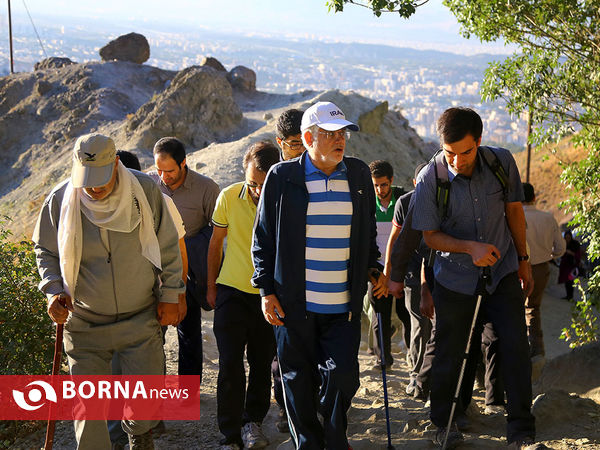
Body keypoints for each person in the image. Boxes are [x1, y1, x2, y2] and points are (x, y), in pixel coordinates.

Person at [33, 133, 185, 449]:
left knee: (143, 410)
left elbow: (168, 244)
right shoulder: (61, 199)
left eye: (100, 178)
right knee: (89, 421)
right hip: (84, 324)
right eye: (87, 179)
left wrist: (172, 294)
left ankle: (138, 432)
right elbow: (45, 250)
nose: (94, 187)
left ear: (116, 164)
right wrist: (52, 291)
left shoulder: (144, 191)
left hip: (140, 319)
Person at [252, 101, 385, 449]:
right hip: (294, 305)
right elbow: (262, 238)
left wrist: (374, 267)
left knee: (342, 377)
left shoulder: (357, 175)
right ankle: (310, 444)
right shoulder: (282, 178)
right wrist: (265, 290)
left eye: (342, 133)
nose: (340, 140)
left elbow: (366, 230)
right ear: (308, 137)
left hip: (343, 306)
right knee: (296, 384)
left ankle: (333, 436)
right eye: (330, 134)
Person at [411, 107, 540, 449]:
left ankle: (520, 426)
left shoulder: (501, 163)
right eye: (449, 152)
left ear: (479, 142)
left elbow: (514, 210)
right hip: (454, 280)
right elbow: (430, 236)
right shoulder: (430, 177)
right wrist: (470, 248)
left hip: (503, 273)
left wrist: (524, 259)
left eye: (464, 152)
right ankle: (445, 421)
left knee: (514, 346)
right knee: (451, 351)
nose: (455, 161)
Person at [207, 141, 280, 450]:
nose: (257, 191)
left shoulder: (284, 202)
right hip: (231, 292)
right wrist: (211, 286)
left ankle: (253, 423)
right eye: (252, 183)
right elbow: (215, 244)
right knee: (230, 365)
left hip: (269, 296)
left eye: (264, 185)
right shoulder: (228, 197)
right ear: (244, 174)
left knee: (262, 364)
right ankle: (230, 435)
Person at [149, 137, 220, 379]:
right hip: (152, 271)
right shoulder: (148, 184)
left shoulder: (207, 188)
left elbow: (217, 230)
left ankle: (188, 392)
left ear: (183, 163)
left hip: (188, 270)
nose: (163, 176)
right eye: (158, 169)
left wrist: (188, 248)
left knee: (189, 332)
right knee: (151, 332)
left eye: (169, 171)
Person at [271, 108, 305, 434]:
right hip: (282, 285)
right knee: (281, 356)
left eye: (306, 141)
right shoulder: (274, 179)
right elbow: (263, 240)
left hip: (318, 281)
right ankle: (285, 411)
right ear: (280, 143)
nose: (302, 149)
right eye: (295, 144)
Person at [385, 162, 432, 393]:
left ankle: (431, 374)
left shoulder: (441, 201)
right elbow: (395, 240)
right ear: (415, 183)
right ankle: (416, 373)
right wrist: (392, 273)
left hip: (438, 271)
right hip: (413, 274)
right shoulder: (405, 202)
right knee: (419, 325)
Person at [367, 159, 410, 369]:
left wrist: (394, 270)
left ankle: (413, 357)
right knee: (379, 316)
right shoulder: (366, 202)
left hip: (400, 269)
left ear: (391, 181)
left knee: (406, 314)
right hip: (377, 270)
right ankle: (383, 360)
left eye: (383, 184)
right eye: (375, 185)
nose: (379, 189)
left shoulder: (403, 201)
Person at [522, 182, 566, 370]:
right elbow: (561, 248)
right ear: (534, 198)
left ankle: (517, 352)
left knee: (513, 310)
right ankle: (537, 352)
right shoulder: (548, 218)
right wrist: (549, 255)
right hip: (540, 267)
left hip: (516, 268)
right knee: (533, 309)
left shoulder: (513, 216)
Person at [558, 230, 581, 301]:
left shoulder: (575, 244)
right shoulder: (563, 243)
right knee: (566, 280)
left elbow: (578, 255)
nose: (567, 239)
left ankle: (570, 296)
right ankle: (568, 295)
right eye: (566, 237)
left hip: (572, 266)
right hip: (565, 265)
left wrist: (571, 253)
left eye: (569, 237)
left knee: (570, 280)